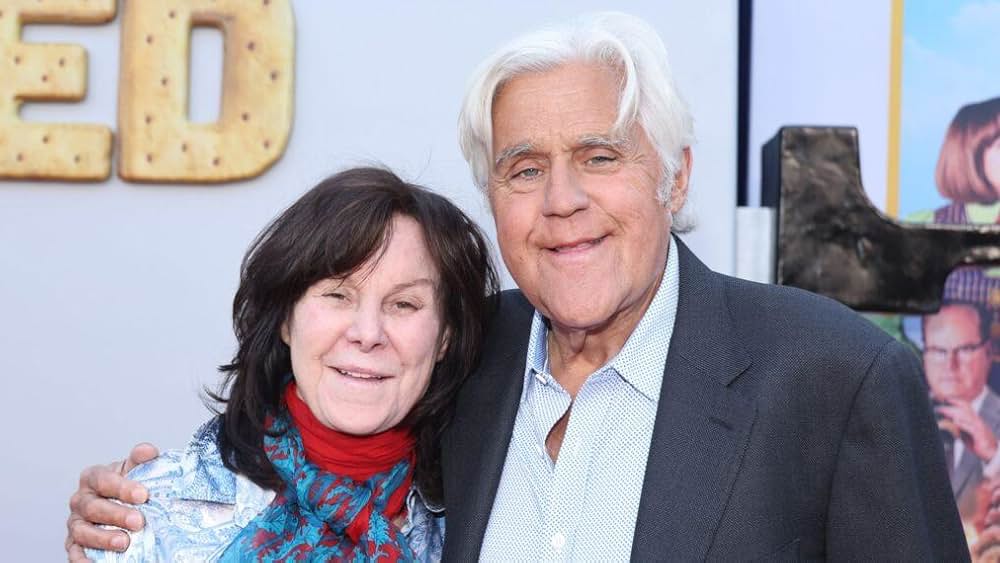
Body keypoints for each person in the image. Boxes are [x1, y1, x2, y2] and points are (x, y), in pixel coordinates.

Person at [68, 12, 968, 560]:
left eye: (600, 156)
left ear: (677, 177)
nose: (562, 201)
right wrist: (137, 514)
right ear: (493, 195)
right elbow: (307, 459)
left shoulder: (836, 378)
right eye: (525, 168)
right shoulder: (458, 357)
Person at [77, 167, 497, 561]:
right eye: (338, 295)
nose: (367, 333)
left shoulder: (493, 523)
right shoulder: (152, 511)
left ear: (445, 337)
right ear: (285, 319)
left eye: (404, 304)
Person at [923, 302, 1000, 523]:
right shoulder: (896, 416)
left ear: (989, 352)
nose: (950, 364)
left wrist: (994, 455)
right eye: (938, 351)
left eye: (965, 349)